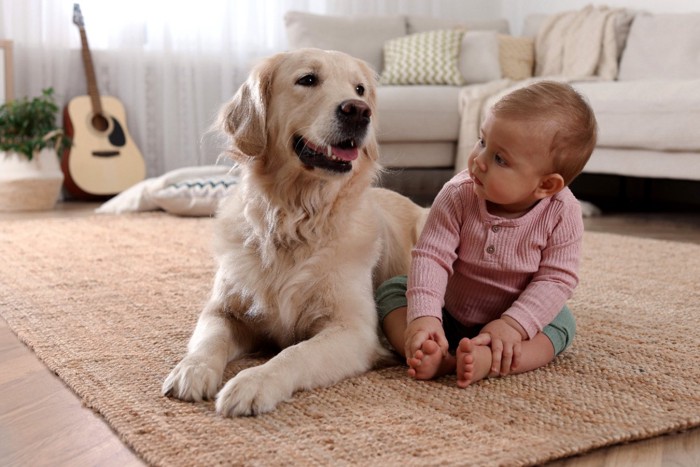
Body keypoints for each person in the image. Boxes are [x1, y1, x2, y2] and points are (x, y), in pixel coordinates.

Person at [376, 80, 597, 388]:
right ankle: (426, 349)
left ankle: (489, 360)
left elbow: (556, 279)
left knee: (561, 325)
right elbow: (431, 256)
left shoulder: (562, 212)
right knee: (392, 292)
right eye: (482, 141)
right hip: (450, 310)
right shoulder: (458, 194)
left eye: (499, 159)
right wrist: (425, 317)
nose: (478, 160)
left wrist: (512, 325)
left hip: (514, 322)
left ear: (546, 185)